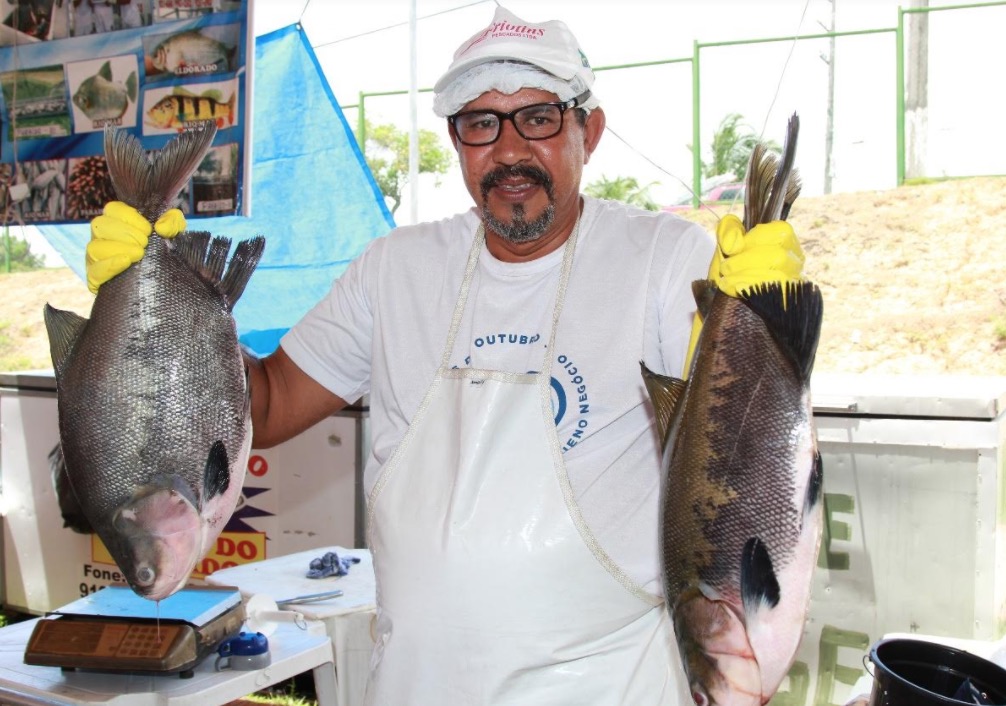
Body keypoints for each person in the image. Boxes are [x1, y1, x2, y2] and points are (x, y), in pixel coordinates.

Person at [86, 6, 804, 704]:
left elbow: (751, 439)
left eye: (540, 116)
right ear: (458, 141)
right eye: (481, 123)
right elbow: (264, 405)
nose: (511, 149)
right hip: (416, 683)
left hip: (609, 682)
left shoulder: (666, 259)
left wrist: (761, 311)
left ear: (590, 129)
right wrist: (145, 319)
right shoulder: (394, 269)